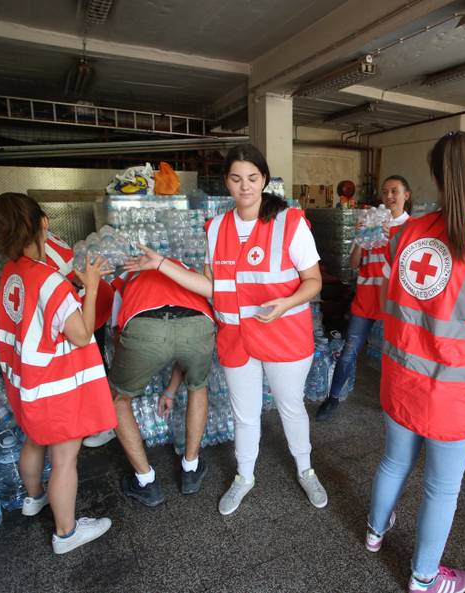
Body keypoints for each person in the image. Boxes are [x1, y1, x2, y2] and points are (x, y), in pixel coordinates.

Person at [125, 143, 328, 516]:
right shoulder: (217, 228)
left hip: (284, 334)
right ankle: (244, 476)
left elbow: (313, 281)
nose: (245, 186)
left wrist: (285, 303)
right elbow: (213, 289)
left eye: (253, 178)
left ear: (264, 180)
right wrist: (161, 264)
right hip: (237, 340)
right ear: (227, 183)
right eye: (236, 179)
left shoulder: (289, 222)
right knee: (245, 415)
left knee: (290, 408)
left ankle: (306, 469)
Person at [366, 132, 465, 593]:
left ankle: (375, 532)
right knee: (441, 489)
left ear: (433, 177)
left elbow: (393, 299)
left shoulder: (403, 235)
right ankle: (424, 578)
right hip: (453, 395)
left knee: (393, 462)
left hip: (400, 378)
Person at [0, 193, 116, 554]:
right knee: (64, 458)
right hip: (54, 385)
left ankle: (34, 499)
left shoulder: (11, 271)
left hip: (25, 381)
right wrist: (90, 286)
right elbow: (80, 334)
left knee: (33, 438)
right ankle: (66, 533)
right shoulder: (49, 280)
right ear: (44, 223)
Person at [105, 265, 215, 505]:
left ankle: (146, 482)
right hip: (198, 324)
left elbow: (118, 334)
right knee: (198, 386)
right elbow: (180, 343)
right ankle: (191, 469)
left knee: (117, 399)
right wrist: (171, 390)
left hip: (146, 325)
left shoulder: (125, 278)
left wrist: (130, 375)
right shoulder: (183, 269)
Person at [316, 175, 412, 422]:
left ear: (406, 196)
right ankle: (334, 397)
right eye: (385, 192)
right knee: (349, 351)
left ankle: (395, 404)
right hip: (366, 300)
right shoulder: (370, 222)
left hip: (394, 305)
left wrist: (391, 235)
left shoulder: (412, 229)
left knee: (395, 357)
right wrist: (361, 237)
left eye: (395, 191)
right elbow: (355, 263)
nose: (389, 196)